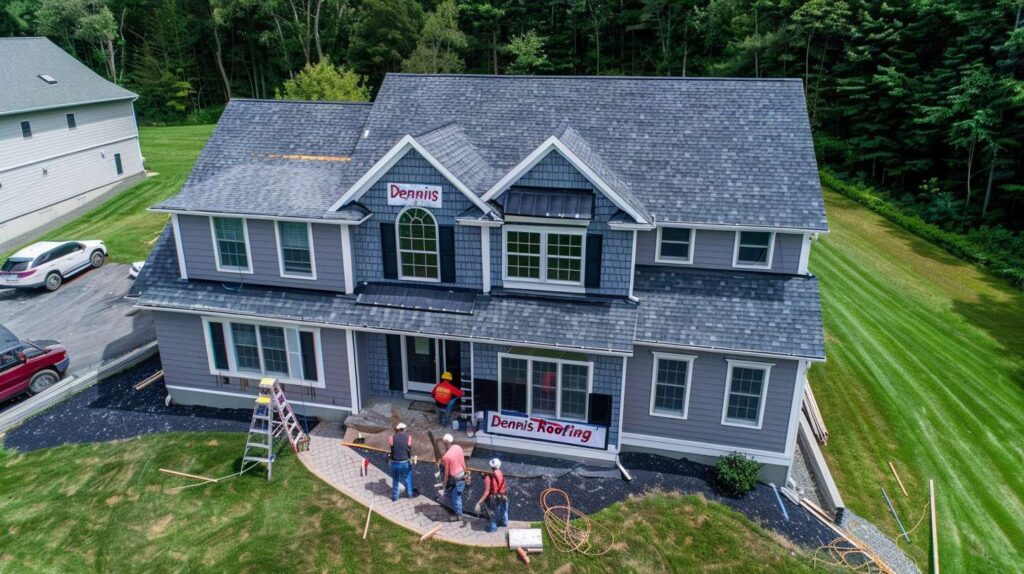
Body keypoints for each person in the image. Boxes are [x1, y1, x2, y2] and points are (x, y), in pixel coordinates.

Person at [474, 458, 509, 533]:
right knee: (504, 511)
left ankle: (493, 528)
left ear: (491, 466)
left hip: (495, 497)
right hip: (504, 495)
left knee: (492, 513)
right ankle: (505, 522)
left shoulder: (489, 476)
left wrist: (479, 502)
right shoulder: (500, 472)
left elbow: (487, 492)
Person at [440, 433, 466, 523]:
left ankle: (459, 516)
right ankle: (454, 508)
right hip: (462, 473)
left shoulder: (446, 457)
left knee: (456, 497)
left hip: (455, 478)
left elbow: (446, 473)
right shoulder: (458, 447)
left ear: (444, 443)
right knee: (456, 494)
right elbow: (462, 461)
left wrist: (443, 487)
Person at [389, 422, 414, 502]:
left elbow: (392, 448)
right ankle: (410, 494)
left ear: (398, 429)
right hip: (405, 461)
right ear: (404, 429)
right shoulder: (409, 437)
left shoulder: (391, 437)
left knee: (395, 479)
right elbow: (409, 448)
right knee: (407, 477)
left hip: (395, 462)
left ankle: (395, 497)